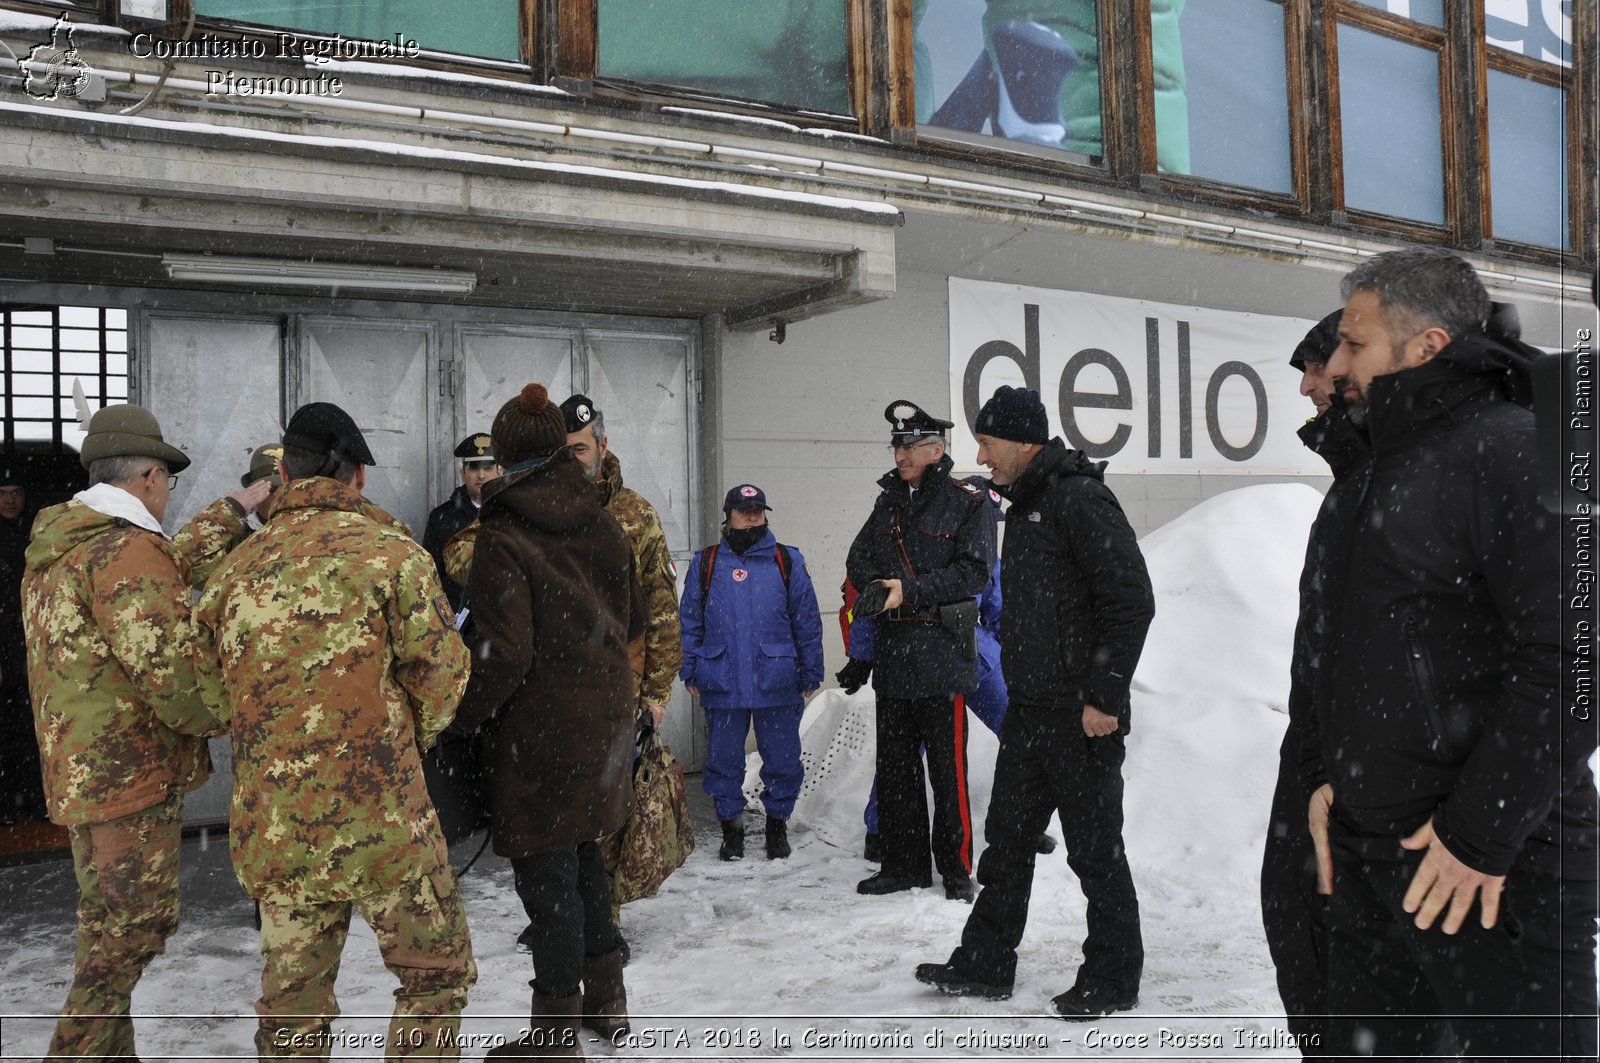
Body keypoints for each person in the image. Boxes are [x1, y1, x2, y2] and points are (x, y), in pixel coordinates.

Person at [1300, 248, 1598, 1059]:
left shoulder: (1512, 447)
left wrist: (1479, 835)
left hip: (1502, 873)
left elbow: (1576, 659)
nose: (1333, 365)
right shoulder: (1367, 475)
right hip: (1376, 861)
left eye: (1354, 345)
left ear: (1426, 345)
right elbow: (1353, 652)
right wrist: (1328, 771)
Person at [192, 402, 476, 1058]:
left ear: (283, 471)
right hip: (387, 823)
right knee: (434, 978)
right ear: (358, 478)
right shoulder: (393, 555)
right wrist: (403, 740)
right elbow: (442, 680)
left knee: (293, 1005)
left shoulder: (235, 570)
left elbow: (210, 699)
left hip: (281, 827)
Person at [21, 404, 268, 1060]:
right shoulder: (127, 553)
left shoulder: (67, 542)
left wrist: (233, 507)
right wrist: (246, 711)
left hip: (83, 775)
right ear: (152, 477)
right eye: (169, 483)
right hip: (128, 780)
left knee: (105, 929)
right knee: (133, 930)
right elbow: (177, 682)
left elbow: (170, 566)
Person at [915, 385, 1154, 1020]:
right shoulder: (1023, 506)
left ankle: (1112, 977)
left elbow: (1130, 601)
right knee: (1008, 842)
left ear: (1023, 442)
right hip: (1031, 711)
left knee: (1095, 852)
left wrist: (1104, 698)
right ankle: (987, 962)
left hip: (1081, 717)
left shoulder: (1080, 498)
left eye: (989, 442)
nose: (981, 455)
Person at [450, 383, 644, 1058]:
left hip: (538, 733)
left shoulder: (504, 534)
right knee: (586, 855)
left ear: (506, 456)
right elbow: (637, 622)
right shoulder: (607, 521)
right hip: (605, 723)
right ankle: (608, 1003)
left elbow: (504, 654)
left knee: (547, 876)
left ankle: (556, 1032)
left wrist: (460, 715)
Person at [845, 479, 1058, 860]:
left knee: (1021, 731)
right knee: (908, 748)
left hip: (978, 657)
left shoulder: (986, 557)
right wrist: (861, 656)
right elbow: (870, 604)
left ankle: (1025, 820)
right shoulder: (913, 549)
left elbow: (998, 610)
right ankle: (880, 828)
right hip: (928, 659)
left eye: (993, 520)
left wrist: (1020, 655)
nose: (987, 528)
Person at [846, 399, 997, 902]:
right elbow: (859, 555)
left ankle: (955, 871)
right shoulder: (888, 500)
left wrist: (907, 589)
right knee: (895, 770)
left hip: (940, 652)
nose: (900, 453)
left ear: (936, 449)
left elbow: (973, 572)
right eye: (896, 445)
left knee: (948, 771)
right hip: (894, 653)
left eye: (910, 445)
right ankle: (903, 865)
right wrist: (875, 585)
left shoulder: (968, 502)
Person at [1258, 310, 1354, 1056]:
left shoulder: (1421, 484)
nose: (1305, 385)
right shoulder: (1355, 484)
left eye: (1322, 362)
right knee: (1301, 932)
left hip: (1364, 792)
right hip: (1324, 769)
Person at [680, 484, 824, 861]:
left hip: (776, 678)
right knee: (723, 759)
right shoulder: (707, 562)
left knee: (783, 759)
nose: (753, 518)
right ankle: (732, 830)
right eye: (745, 511)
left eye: (759, 511)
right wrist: (690, 668)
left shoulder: (786, 560)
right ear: (729, 517)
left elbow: (806, 621)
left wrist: (811, 671)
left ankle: (777, 827)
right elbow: (690, 621)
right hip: (721, 677)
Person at [0, 467, 44, 824]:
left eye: (16, 491)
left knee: (30, 730)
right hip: (5, 646)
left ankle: (31, 804)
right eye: (3, 492)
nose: (10, 499)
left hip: (28, 645)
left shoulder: (38, 535)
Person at [421, 432, 500, 612]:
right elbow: (430, 579)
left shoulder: (511, 513)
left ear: (499, 471)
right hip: (457, 626)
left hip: (502, 624)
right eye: (473, 467)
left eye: (487, 467)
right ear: (462, 473)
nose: (481, 475)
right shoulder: (441, 518)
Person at [238, 443, 283, 527]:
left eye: (288, 489)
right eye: (271, 490)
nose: (281, 496)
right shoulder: (242, 538)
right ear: (255, 502)